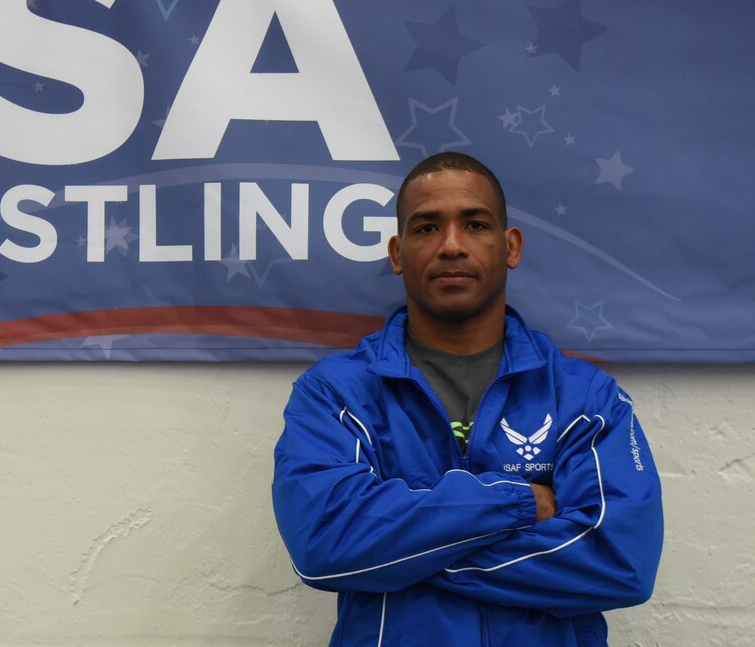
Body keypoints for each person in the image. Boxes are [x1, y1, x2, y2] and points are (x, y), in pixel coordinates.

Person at [271, 152, 663, 646]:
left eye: (475, 224)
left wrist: (404, 550)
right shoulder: (337, 392)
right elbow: (323, 543)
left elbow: (620, 562)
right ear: (397, 253)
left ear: (510, 246)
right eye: (426, 228)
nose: (452, 246)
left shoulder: (585, 395)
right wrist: (520, 504)